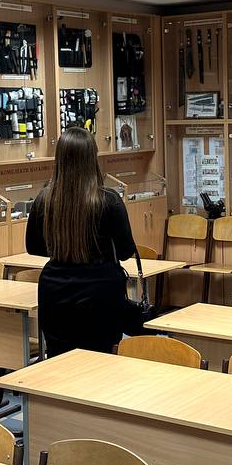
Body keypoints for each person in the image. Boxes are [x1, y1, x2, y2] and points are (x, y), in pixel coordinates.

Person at [25, 127, 138, 356]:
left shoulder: (44, 199)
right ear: (92, 158)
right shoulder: (108, 200)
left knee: (59, 360)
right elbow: (126, 251)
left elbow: (34, 247)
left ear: (59, 159)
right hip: (101, 292)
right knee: (101, 360)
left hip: (55, 290)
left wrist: (64, 247)